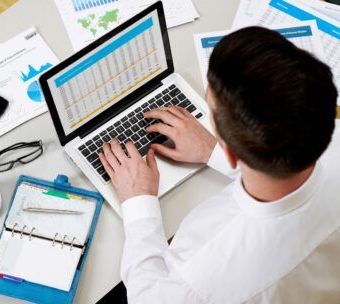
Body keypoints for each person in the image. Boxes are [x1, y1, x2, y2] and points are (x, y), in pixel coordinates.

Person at [99, 26, 339, 303]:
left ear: (232, 155)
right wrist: (215, 150)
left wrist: (138, 202)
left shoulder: (200, 281)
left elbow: (145, 296)